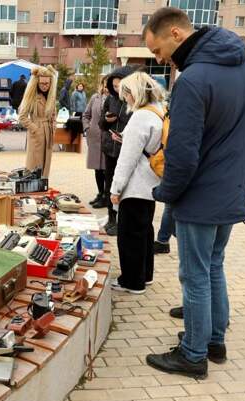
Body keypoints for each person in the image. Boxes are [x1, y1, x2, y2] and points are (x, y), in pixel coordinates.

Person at [142, 7, 245, 379]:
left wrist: (165, 193)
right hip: (232, 191)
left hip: (201, 196)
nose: (160, 60)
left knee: (194, 276)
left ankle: (192, 354)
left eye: (158, 51)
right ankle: (214, 342)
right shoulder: (242, 67)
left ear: (175, 34)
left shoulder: (192, 80)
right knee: (213, 267)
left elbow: (183, 154)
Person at [109, 72, 166, 294]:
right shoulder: (158, 111)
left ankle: (132, 281)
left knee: (129, 236)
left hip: (135, 186)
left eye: (125, 94)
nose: (124, 99)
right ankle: (145, 275)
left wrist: (115, 189)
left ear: (134, 92)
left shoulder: (140, 117)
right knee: (144, 232)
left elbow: (126, 160)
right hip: (151, 184)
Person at [99, 66, 137, 236]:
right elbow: (101, 123)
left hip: (125, 150)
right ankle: (111, 218)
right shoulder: (110, 99)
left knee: (122, 187)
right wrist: (107, 120)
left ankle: (121, 220)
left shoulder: (134, 101)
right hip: (110, 149)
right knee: (109, 185)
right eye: (114, 86)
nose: (117, 90)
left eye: (119, 86)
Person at [19, 65, 58, 178]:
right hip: (37, 131)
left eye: (47, 83)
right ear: (37, 82)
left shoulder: (51, 96)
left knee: (46, 163)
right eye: (42, 83)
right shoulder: (32, 96)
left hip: (49, 132)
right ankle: (32, 185)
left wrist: (53, 125)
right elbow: (22, 116)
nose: (45, 86)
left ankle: (43, 184)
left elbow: (53, 113)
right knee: (35, 163)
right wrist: (35, 128)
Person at [82, 77, 108, 209]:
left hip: (107, 138)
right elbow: (86, 115)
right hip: (94, 138)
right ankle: (100, 193)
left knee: (106, 169)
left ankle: (106, 196)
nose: (106, 86)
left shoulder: (116, 99)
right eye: (104, 83)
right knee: (97, 168)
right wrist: (87, 128)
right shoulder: (95, 98)